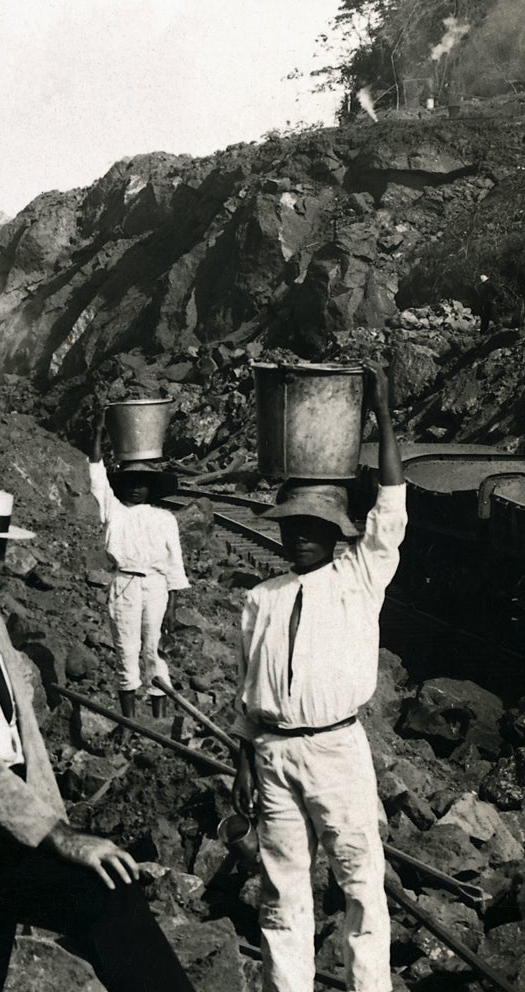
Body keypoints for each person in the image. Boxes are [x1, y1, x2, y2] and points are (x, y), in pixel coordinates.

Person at [0, 481, 193, 991]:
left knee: (105, 890)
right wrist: (60, 838)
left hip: (12, 826)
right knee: (100, 895)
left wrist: (49, 823)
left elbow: (23, 742)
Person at [232, 363, 403, 992]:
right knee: (282, 890)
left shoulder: (359, 579)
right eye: (292, 527)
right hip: (273, 753)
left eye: (315, 528)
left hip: (336, 748)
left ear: (337, 534)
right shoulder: (261, 598)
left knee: (360, 882)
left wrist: (382, 414)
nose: (301, 537)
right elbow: (247, 695)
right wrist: (244, 760)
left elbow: (391, 505)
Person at [87, 422, 188, 720]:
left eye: (142, 482)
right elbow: (96, 477)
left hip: (157, 587)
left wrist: (173, 606)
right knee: (126, 651)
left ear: (151, 487)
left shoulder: (165, 518)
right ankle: (129, 720)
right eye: (130, 482)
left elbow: (175, 566)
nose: (135, 488)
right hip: (125, 586)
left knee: (156, 652)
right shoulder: (114, 511)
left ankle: (159, 720)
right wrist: (97, 435)